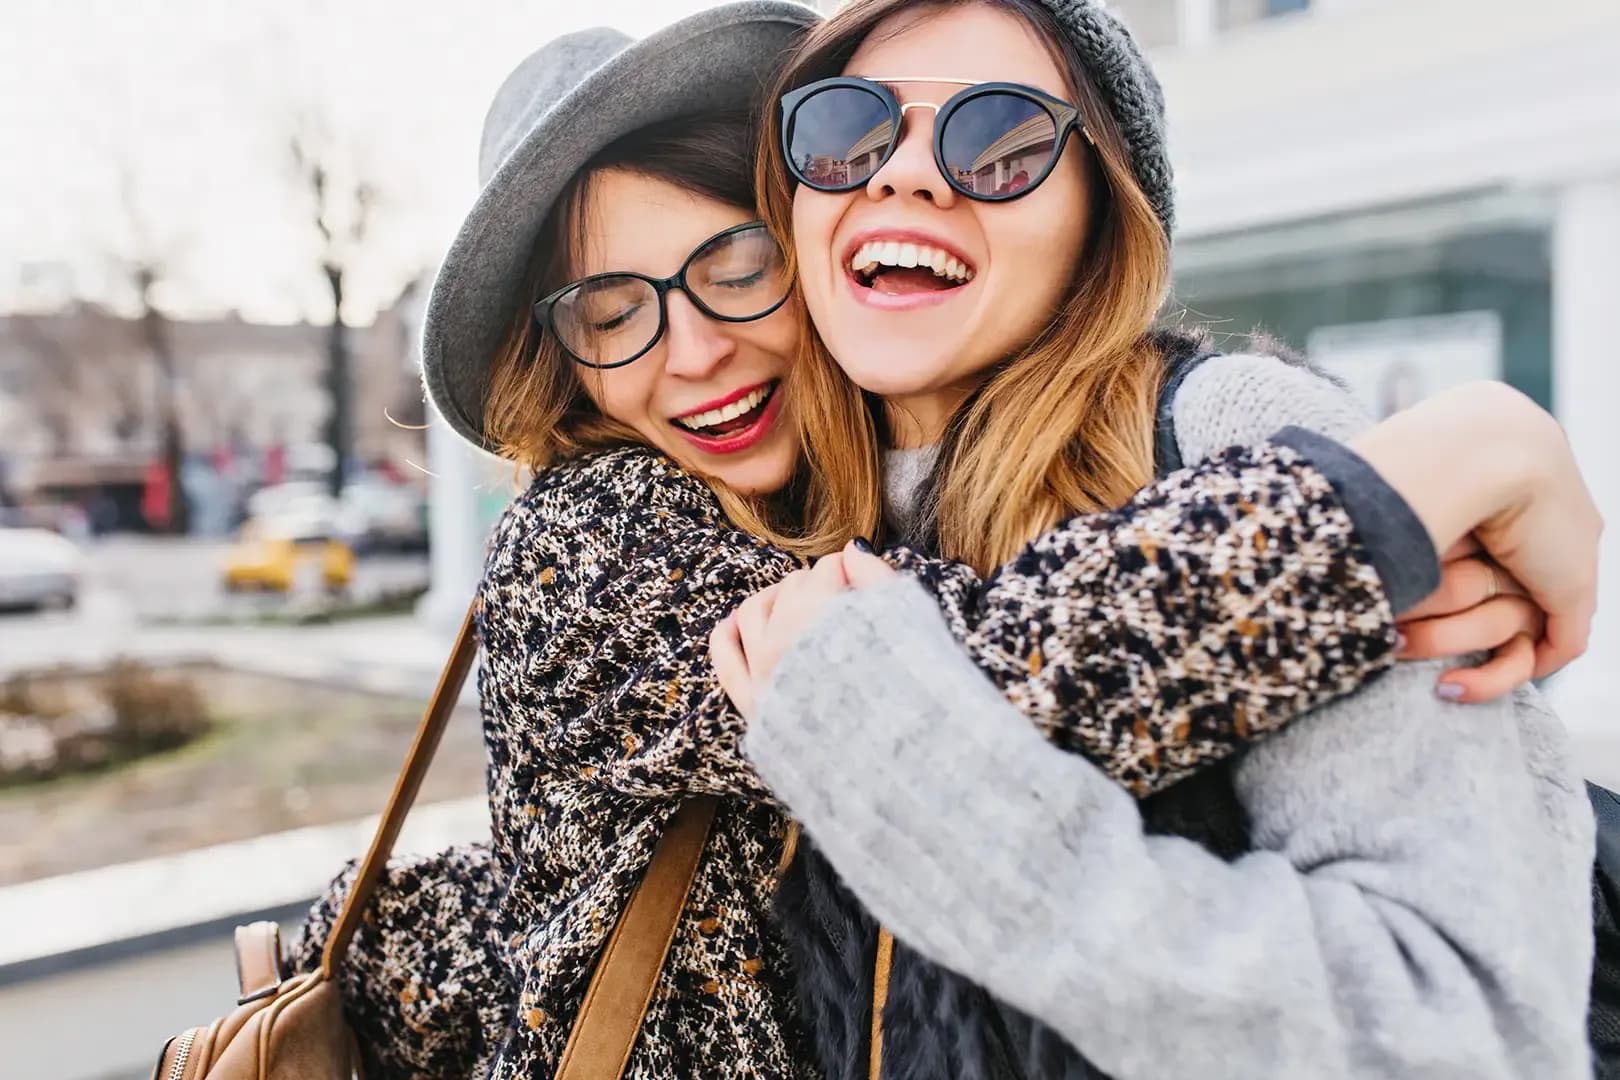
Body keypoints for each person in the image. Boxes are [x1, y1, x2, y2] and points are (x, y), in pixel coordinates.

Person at [293, 4, 1600, 1079]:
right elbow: (984, 672)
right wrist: (1406, 484)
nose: (691, 353)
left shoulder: (1177, 440)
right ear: (561, 358)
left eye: (733, 268)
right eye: (611, 312)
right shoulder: (602, 537)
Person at [707, 0, 1598, 1076]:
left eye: (1001, 140)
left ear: (1102, 218)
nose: (905, 175)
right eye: (844, 129)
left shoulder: (1244, 439)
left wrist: (907, 770)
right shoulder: (769, 522)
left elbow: (1469, 1031)